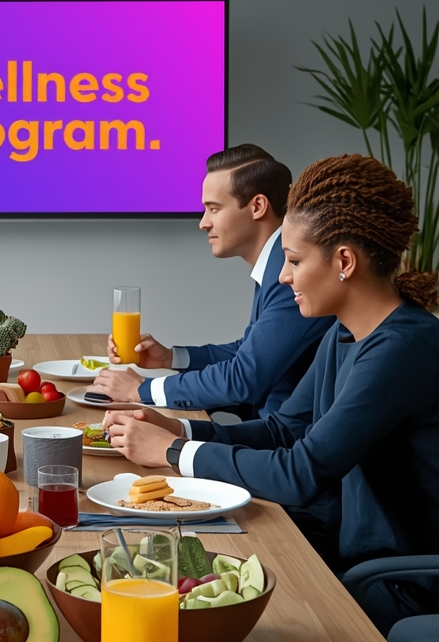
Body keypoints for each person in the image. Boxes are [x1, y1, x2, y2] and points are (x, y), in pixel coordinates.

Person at [106, 155, 439, 580]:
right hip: (343, 544)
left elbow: (302, 472)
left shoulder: (402, 348)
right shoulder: (344, 333)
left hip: (390, 578)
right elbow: (284, 430)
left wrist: (171, 452)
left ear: (344, 262)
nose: (282, 277)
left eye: (295, 261)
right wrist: (181, 431)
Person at [92, 145, 331, 418]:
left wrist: (143, 390)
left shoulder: (289, 273)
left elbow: (243, 379)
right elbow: (247, 351)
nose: (203, 223)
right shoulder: (276, 261)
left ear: (257, 206)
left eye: (213, 209)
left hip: (279, 443)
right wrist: (171, 358)